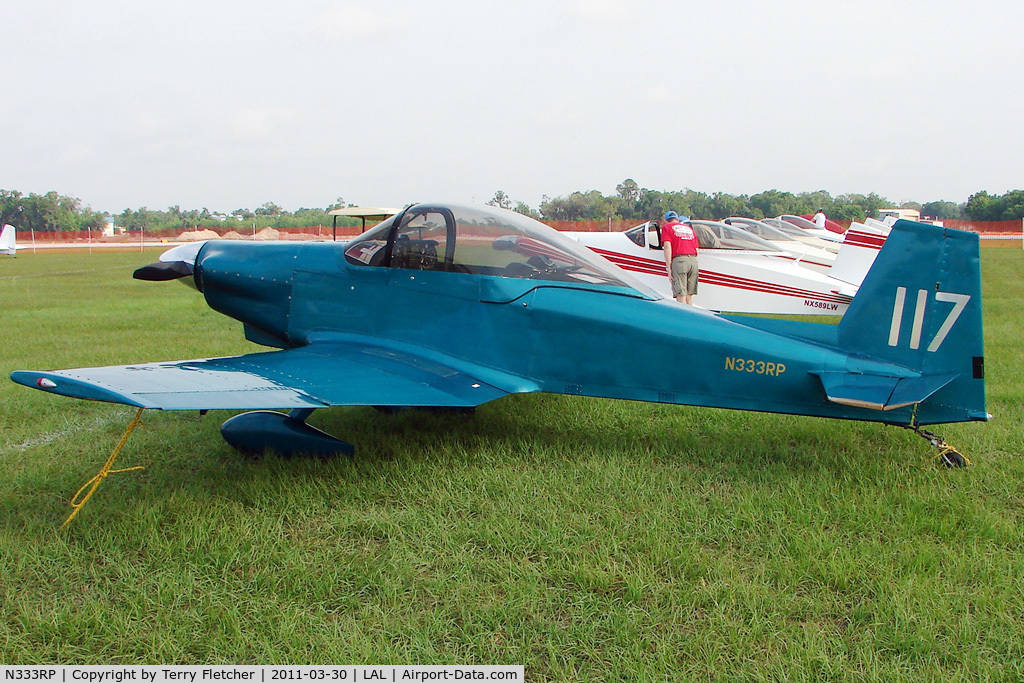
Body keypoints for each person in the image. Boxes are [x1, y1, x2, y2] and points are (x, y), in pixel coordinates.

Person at [661, 211, 699, 305]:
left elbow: (667, 247)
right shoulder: (689, 228)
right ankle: (691, 317)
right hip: (693, 261)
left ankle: (683, 318)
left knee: (681, 295)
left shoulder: (666, 227)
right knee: (688, 295)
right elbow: (697, 250)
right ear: (677, 219)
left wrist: (668, 268)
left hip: (680, 261)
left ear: (666, 220)